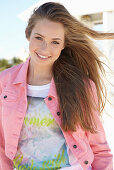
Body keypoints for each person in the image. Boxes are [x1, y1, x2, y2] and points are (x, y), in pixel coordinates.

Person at [0, 2, 113, 170]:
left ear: (64, 44)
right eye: (39, 38)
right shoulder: (5, 81)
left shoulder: (82, 86)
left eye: (55, 42)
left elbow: (99, 148)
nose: (45, 49)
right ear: (27, 34)